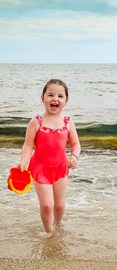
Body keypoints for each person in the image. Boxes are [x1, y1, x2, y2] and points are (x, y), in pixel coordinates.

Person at [18, 79, 81, 237]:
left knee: (59, 205)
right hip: (40, 168)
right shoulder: (36, 121)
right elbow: (28, 145)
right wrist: (24, 161)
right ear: (43, 98)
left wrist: (74, 157)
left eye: (60, 96)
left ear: (65, 101)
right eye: (50, 94)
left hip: (60, 168)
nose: (55, 99)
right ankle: (49, 233)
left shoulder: (67, 123)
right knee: (47, 205)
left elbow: (75, 144)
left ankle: (58, 225)